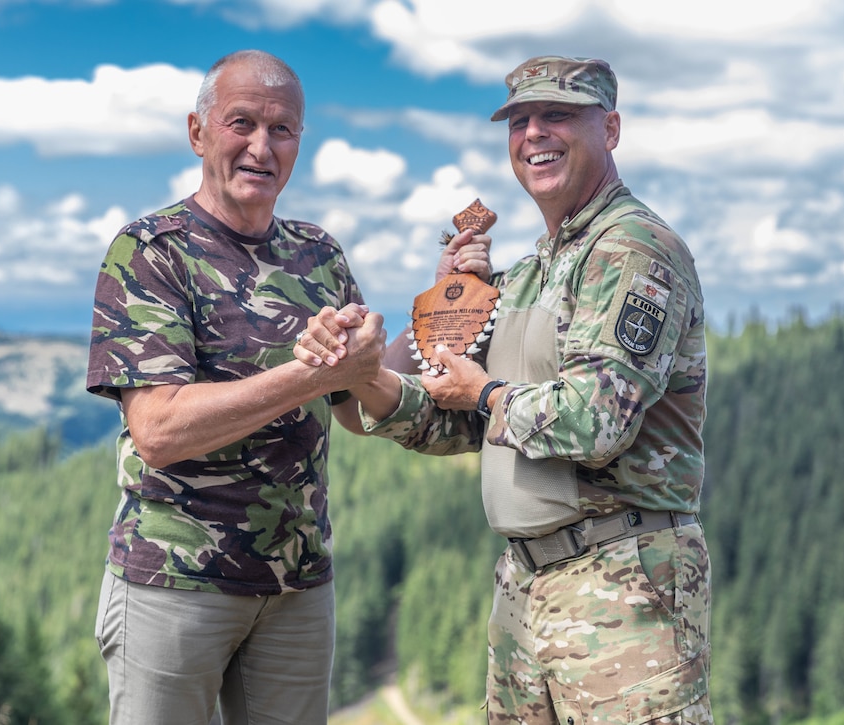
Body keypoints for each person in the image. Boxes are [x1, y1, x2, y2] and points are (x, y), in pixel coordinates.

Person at [301, 56, 712, 723]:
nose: (533, 134)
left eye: (557, 115)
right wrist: (368, 375)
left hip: (624, 588)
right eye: (519, 120)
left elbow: (597, 421)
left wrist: (487, 392)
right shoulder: (523, 276)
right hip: (526, 587)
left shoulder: (633, 250)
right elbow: (454, 418)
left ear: (609, 128)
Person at [85, 50, 390, 725]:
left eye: (283, 130)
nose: (262, 146)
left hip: (297, 587)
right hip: (175, 582)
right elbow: (159, 431)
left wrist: (443, 304)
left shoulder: (320, 255)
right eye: (241, 123)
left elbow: (356, 412)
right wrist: (308, 373)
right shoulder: (150, 251)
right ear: (198, 132)